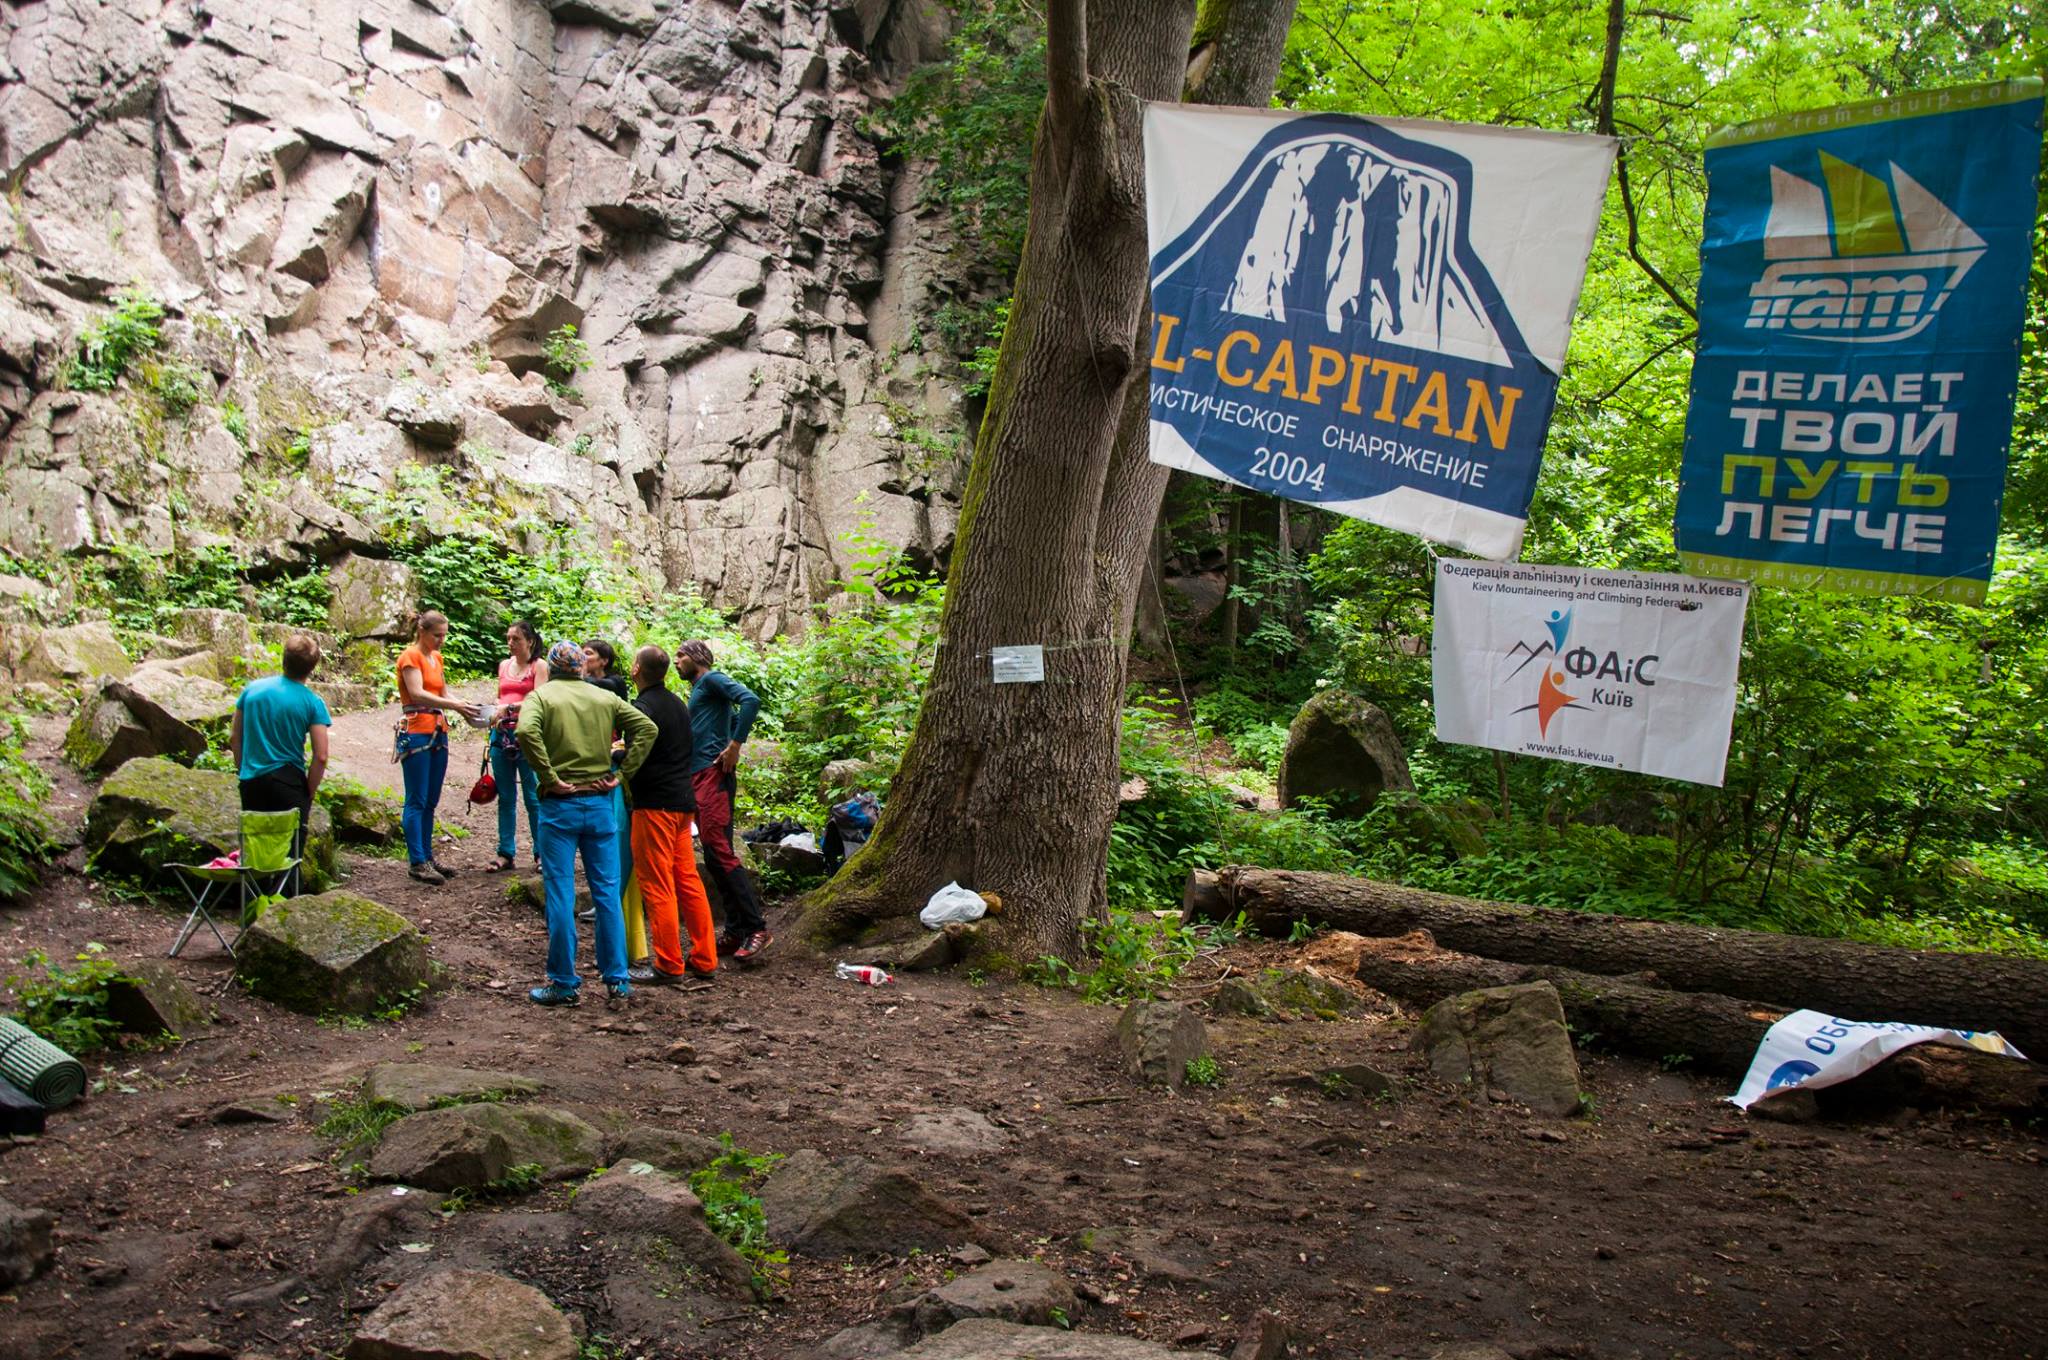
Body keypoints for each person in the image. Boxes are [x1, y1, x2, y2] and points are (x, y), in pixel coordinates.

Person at [516, 640, 657, 1006]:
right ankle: (618, 981)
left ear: (553, 666)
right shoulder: (603, 698)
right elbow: (647, 729)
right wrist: (622, 773)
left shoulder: (541, 698)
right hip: (598, 804)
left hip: (558, 805)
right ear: (580, 667)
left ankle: (564, 983)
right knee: (607, 894)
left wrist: (547, 775)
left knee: (561, 893)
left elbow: (525, 733)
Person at [624, 645, 717, 983]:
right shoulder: (679, 703)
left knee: (658, 883)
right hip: (683, 804)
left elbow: (639, 753)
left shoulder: (642, 708)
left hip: (655, 806)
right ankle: (705, 958)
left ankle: (667, 963)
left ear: (636, 669)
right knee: (687, 880)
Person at [675, 640, 770, 961]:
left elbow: (751, 699)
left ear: (698, 658)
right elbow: (727, 717)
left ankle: (757, 928)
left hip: (712, 776)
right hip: (701, 775)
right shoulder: (702, 690)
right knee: (715, 856)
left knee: (719, 851)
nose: (676, 662)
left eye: (681, 656)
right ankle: (734, 931)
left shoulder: (712, 679)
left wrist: (734, 746)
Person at [228, 632, 331, 895]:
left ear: (283, 659)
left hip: (252, 780)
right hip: (288, 782)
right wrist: (309, 789)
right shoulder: (312, 702)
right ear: (313, 666)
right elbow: (321, 755)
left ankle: (253, 908)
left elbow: (235, 736)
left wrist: (243, 770)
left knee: (256, 848)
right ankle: (283, 914)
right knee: (290, 852)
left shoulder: (252, 690)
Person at [396, 610, 477, 885]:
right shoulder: (411, 657)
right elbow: (417, 693)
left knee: (431, 799)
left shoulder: (437, 657)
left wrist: (465, 708)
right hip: (417, 732)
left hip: (438, 731)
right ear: (423, 632)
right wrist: (454, 705)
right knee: (416, 799)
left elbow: (442, 693)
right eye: (437, 635)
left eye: (444, 635)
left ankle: (427, 856)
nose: (441, 640)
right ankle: (417, 861)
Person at [488, 621, 545, 874]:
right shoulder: (503, 665)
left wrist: (510, 708)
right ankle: (505, 852)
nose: (510, 643)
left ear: (529, 641)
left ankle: (541, 852)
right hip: (501, 735)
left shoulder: (539, 666)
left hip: (527, 737)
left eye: (516, 639)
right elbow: (501, 696)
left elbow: (540, 699)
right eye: (509, 638)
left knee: (534, 797)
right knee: (506, 796)